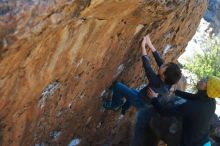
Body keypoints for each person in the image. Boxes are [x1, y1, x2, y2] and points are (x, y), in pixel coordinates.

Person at [102, 34, 182, 115]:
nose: (162, 65)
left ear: (164, 76)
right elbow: (160, 62)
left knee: (118, 86)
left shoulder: (157, 83)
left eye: (164, 66)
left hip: (140, 101)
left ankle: (115, 105)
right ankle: (124, 108)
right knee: (132, 91)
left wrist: (143, 47)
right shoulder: (168, 81)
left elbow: (147, 66)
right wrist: (150, 44)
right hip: (144, 99)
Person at [147, 75, 220, 146]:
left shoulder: (191, 107)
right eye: (204, 78)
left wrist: (154, 99)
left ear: (209, 89)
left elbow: (164, 112)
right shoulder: (211, 102)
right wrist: (176, 91)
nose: (201, 79)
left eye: (205, 81)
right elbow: (194, 97)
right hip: (205, 142)